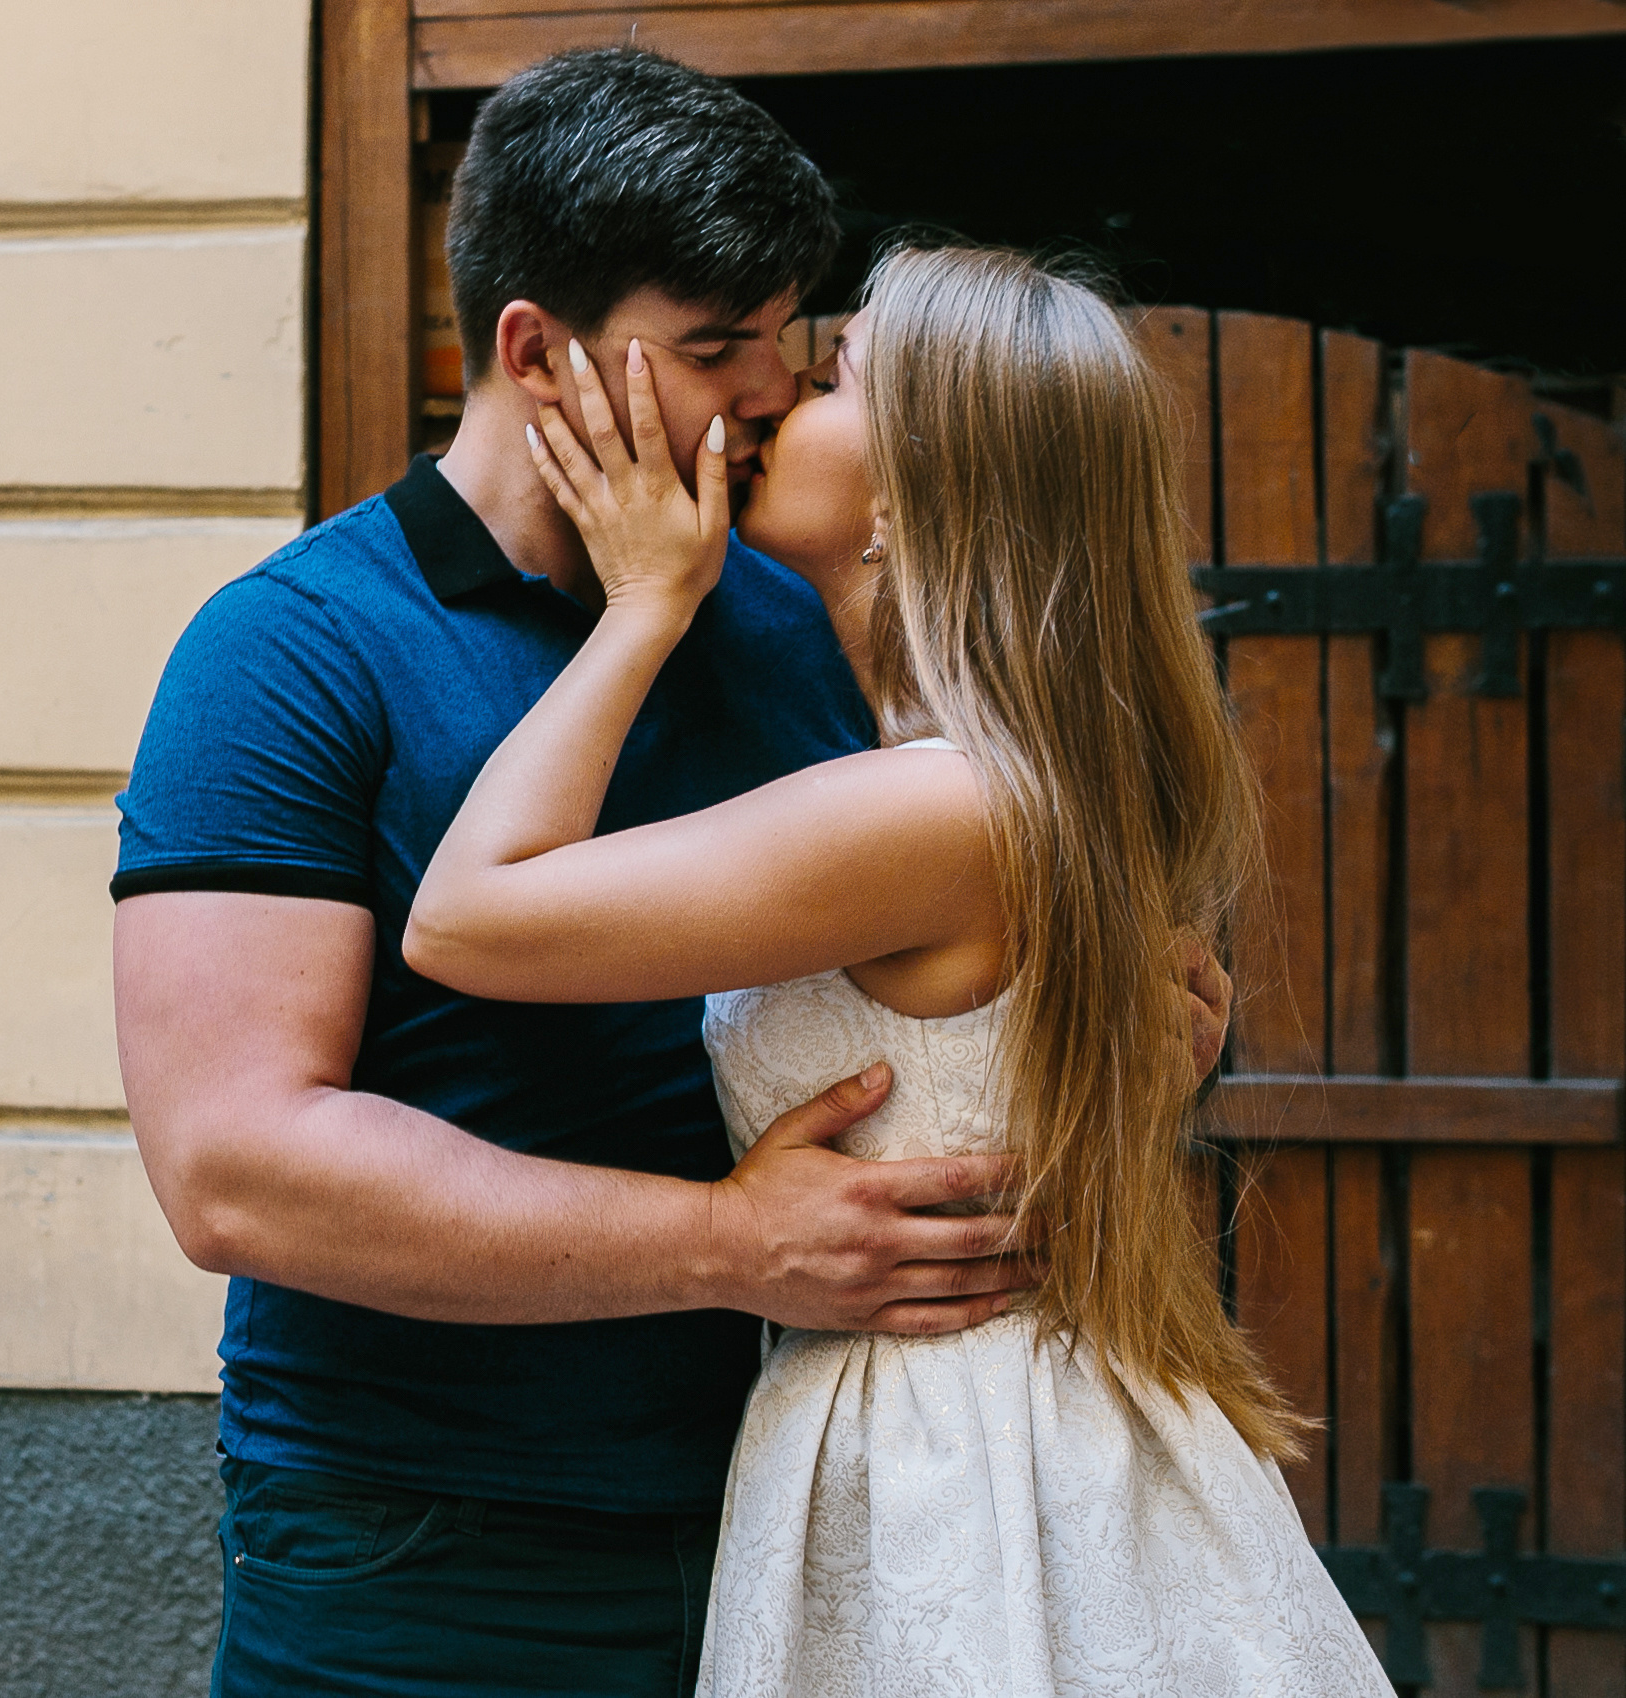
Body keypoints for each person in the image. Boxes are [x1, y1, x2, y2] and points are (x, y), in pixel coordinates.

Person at [113, 48, 1228, 1696]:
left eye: (789, 337)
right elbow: (237, 1170)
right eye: (715, 348)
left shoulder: (786, 620)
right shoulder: (289, 650)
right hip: (441, 1541)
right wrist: (723, 1242)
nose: (770, 390)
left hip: (806, 1504)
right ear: (532, 349)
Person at [404, 241, 1388, 1694]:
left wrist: (643, 606)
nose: (773, 397)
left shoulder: (935, 805)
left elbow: (467, 917)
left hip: (956, 1466)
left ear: (916, 489)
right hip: (989, 1426)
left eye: (833, 373)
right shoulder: (989, 781)